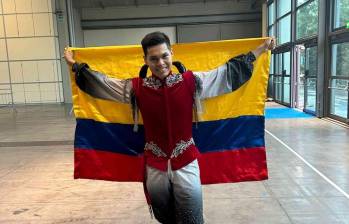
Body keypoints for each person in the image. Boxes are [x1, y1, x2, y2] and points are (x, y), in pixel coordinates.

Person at [64, 32, 275, 224]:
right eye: (153, 58)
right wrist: (75, 65)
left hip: (186, 161)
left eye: (164, 56)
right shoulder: (137, 88)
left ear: (172, 54)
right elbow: (103, 84)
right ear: (145, 60)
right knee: (164, 217)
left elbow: (225, 73)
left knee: (192, 217)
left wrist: (260, 50)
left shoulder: (191, 82)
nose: (160, 63)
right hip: (155, 165)